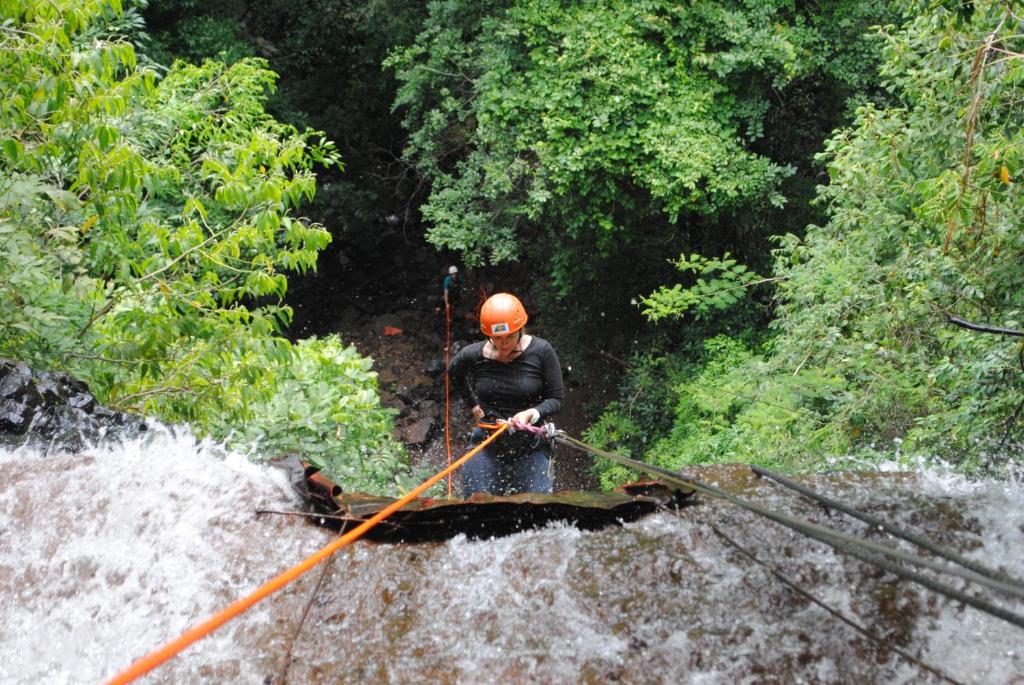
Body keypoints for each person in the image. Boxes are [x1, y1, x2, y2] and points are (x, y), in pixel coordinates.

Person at [446, 292, 565, 496]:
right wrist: (474, 405)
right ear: (488, 335)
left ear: (520, 329)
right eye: (498, 338)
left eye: (510, 336)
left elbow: (556, 399)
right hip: (488, 443)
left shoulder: (542, 351)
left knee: (537, 510)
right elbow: (453, 373)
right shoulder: (473, 355)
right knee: (478, 505)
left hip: (531, 446)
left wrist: (532, 413)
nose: (504, 343)